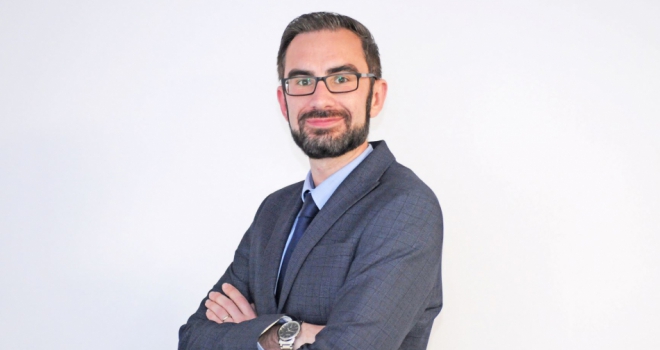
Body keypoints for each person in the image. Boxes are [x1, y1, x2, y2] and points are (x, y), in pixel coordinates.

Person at [179, 12, 443, 350]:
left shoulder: (405, 207)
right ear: (283, 102)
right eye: (302, 82)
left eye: (342, 78)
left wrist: (258, 333)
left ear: (375, 96)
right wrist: (298, 332)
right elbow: (193, 338)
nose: (320, 100)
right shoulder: (273, 211)